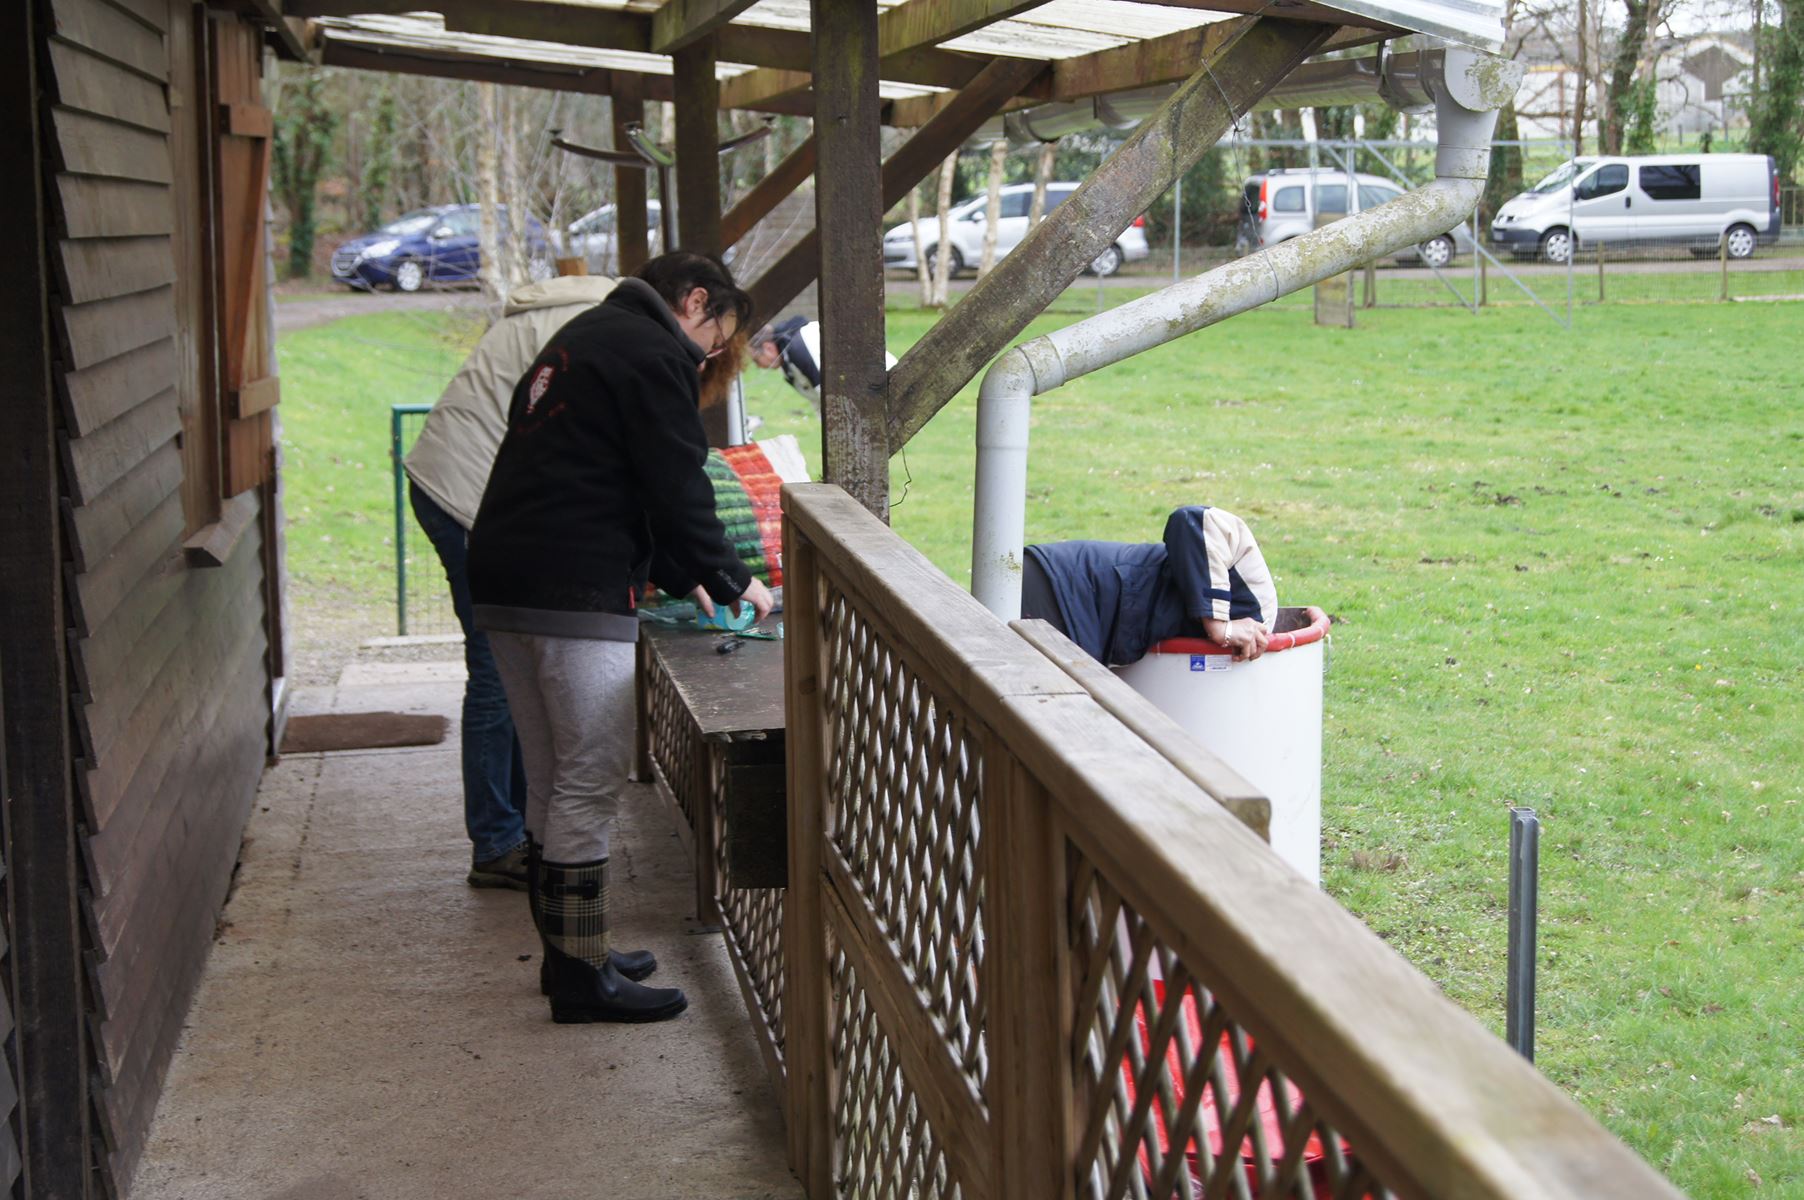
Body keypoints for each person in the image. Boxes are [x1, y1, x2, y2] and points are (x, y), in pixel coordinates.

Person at [467, 252, 774, 1025]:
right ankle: (581, 981)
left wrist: (682, 567)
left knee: (548, 775)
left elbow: (615, 474)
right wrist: (735, 576)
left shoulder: (589, 335)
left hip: (507, 575)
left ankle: (575, 953)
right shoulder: (651, 351)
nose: (707, 354)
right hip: (574, 583)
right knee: (588, 775)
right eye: (714, 335)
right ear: (694, 300)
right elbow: (675, 479)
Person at [403, 273, 619, 891]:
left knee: (515, 659)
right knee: (497, 665)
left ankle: (526, 828)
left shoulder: (587, 314)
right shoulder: (597, 328)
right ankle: (497, 842)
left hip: (464, 481)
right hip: (465, 490)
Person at [1021, 505, 1276, 666]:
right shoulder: (1258, 601)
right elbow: (1191, 520)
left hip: (1074, 602)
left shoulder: (1258, 631)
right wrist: (1220, 626)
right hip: (1058, 586)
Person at [749, 315, 895, 407]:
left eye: (756, 360)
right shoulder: (789, 357)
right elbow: (819, 402)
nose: (759, 366)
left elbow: (828, 394)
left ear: (767, 348)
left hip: (883, 385)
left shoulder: (797, 347)